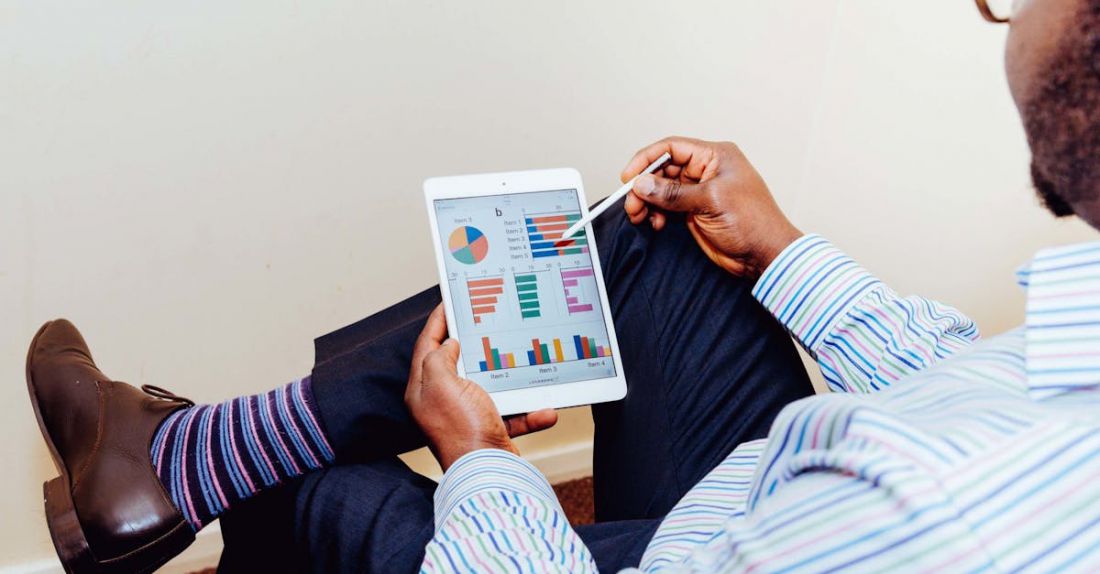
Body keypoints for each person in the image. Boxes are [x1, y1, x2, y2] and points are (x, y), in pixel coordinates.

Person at [23, 0, 1100, 571]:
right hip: (766, 510)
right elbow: (975, 385)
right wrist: (778, 247)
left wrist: (481, 462)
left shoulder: (945, 522)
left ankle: (188, 460)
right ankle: (163, 460)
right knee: (657, 236)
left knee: (312, 488)